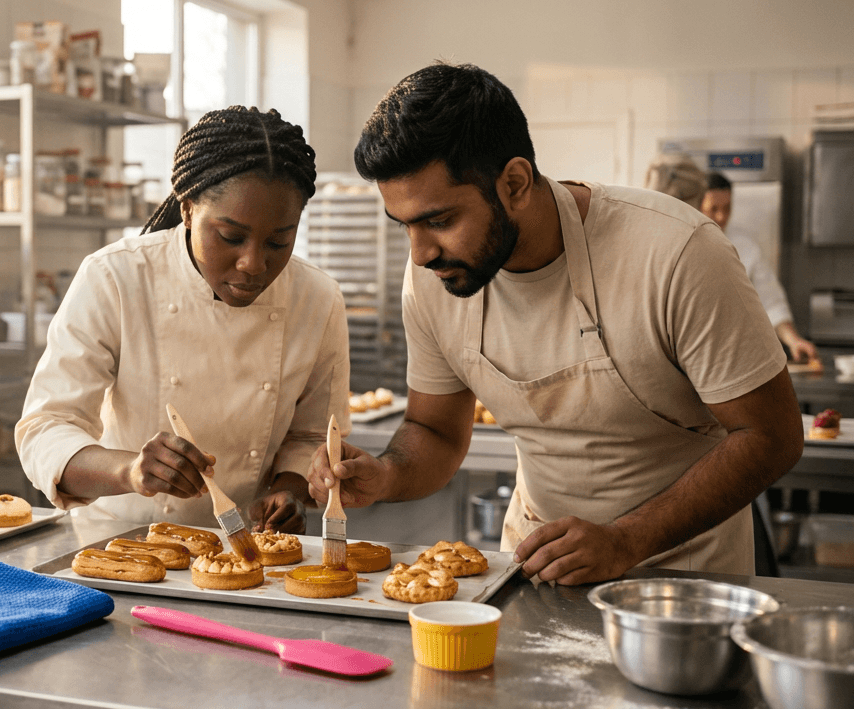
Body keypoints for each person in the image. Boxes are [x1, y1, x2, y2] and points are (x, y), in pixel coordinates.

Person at [307, 64, 803, 585]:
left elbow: (772, 436)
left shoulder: (675, 253)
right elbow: (433, 431)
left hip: (681, 580)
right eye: (405, 225)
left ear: (515, 183)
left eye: (440, 220)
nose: (421, 252)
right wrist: (384, 474)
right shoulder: (434, 277)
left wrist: (626, 540)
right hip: (534, 569)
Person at [16, 106, 350, 534]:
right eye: (230, 237)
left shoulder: (318, 299)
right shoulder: (116, 277)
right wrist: (131, 470)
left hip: (247, 553)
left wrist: (288, 490)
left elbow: (312, 438)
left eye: (278, 242)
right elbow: (45, 429)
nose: (252, 263)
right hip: (121, 542)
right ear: (188, 209)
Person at [700, 172, 818, 364]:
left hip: (734, 356)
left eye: (727, 208)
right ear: (698, 206)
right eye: (713, 209)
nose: (721, 217)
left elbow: (771, 302)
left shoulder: (746, 247)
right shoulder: (684, 245)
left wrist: (794, 341)